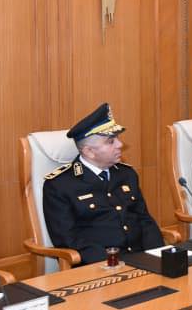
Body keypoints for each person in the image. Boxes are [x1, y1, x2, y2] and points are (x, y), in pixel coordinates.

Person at [42, 103, 163, 265]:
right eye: (110, 141)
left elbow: (144, 220)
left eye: (117, 138)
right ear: (89, 151)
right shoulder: (60, 185)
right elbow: (68, 239)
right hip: (100, 266)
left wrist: (159, 255)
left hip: (140, 259)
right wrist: (112, 263)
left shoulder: (126, 174)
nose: (120, 145)